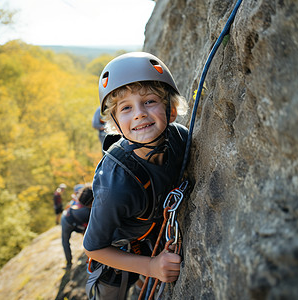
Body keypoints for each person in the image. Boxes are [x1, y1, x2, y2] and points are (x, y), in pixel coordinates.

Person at [83, 52, 188, 299]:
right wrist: (151, 267)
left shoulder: (180, 139)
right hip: (116, 248)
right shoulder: (116, 185)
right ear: (116, 124)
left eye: (149, 101)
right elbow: (93, 247)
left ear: (171, 110)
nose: (139, 113)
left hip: (150, 235)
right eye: (126, 108)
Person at [60, 185, 94, 269]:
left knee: (87, 235)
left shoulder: (87, 204)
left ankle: (88, 251)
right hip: (67, 221)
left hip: (79, 222)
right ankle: (69, 263)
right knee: (65, 242)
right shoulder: (85, 206)